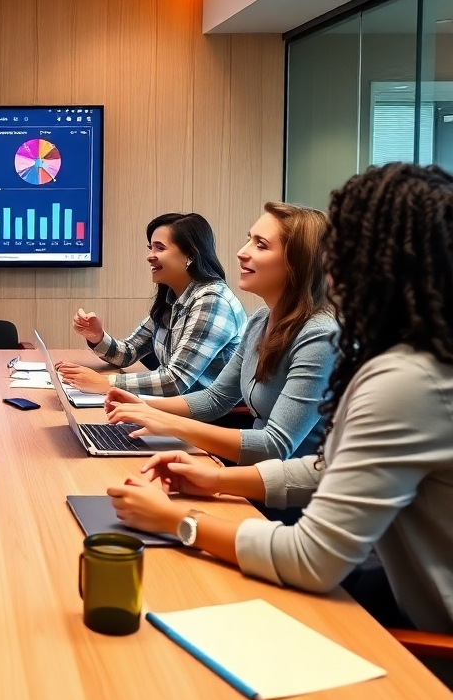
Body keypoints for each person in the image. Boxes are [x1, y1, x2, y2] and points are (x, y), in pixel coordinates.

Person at [106, 164, 453, 636]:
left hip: (427, 639)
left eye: (345, 245)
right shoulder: (408, 359)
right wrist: (215, 481)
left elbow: (311, 558)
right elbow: (327, 467)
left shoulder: (404, 378)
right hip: (395, 586)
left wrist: (176, 520)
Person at [106, 202, 337, 464]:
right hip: (259, 472)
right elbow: (216, 398)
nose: (241, 252)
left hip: (292, 492)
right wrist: (141, 406)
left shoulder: (321, 336)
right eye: (248, 240)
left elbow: (274, 445)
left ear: (299, 262)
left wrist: (167, 423)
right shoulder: (261, 319)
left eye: (260, 245)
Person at [57, 213, 246, 396]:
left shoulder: (212, 301)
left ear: (190, 255)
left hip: (206, 421)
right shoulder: (173, 297)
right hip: (173, 409)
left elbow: (175, 381)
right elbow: (128, 353)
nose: (150, 256)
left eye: (160, 248)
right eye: (150, 248)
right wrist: (97, 337)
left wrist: (105, 383)